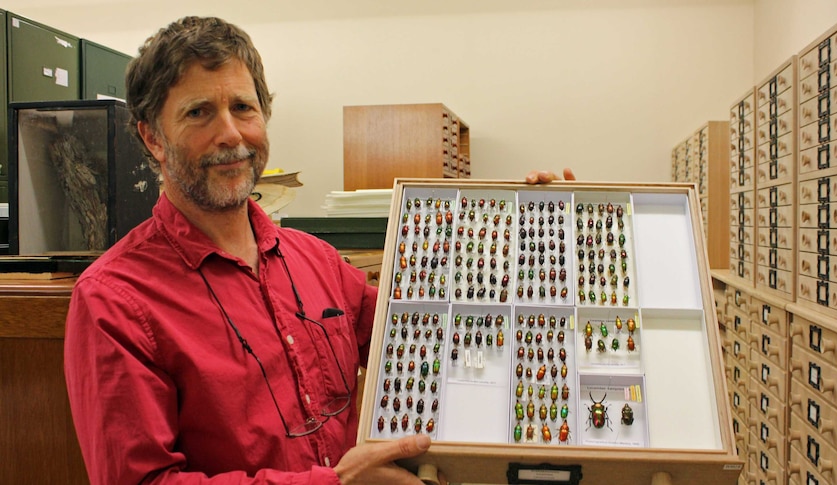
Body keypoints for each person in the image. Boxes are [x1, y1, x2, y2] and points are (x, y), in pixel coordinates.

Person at [64, 15, 575, 485]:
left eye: (243, 107)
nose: (230, 134)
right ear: (152, 137)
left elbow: (436, 334)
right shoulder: (115, 301)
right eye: (199, 113)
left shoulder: (316, 260)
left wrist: (537, 235)